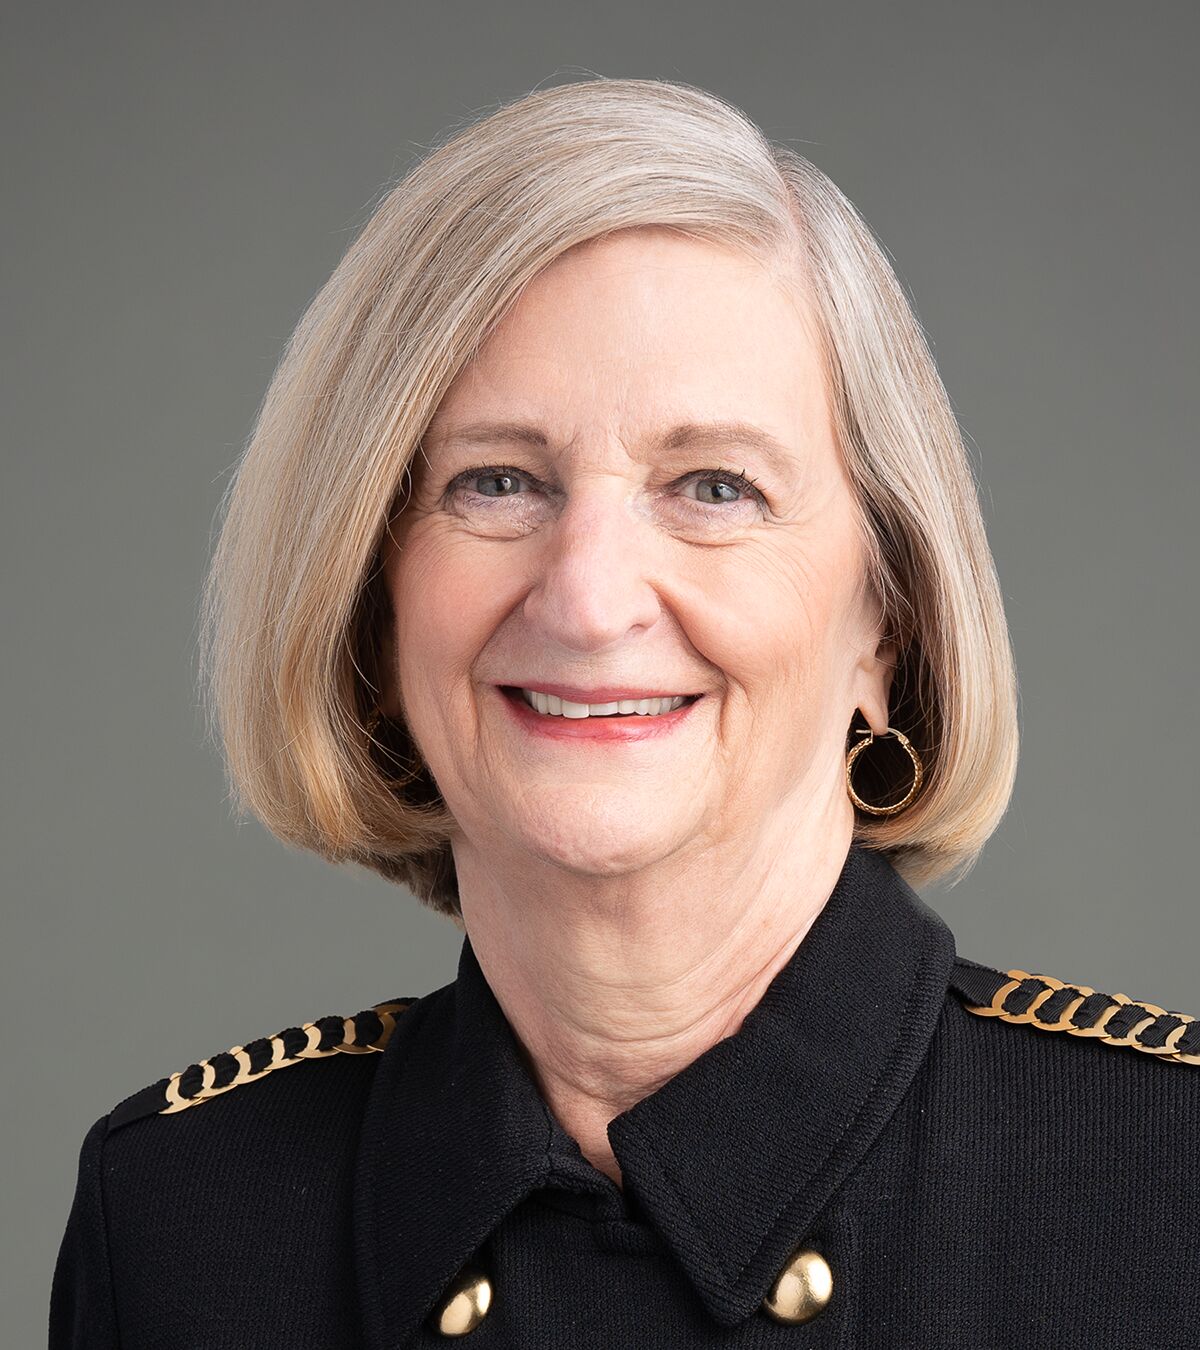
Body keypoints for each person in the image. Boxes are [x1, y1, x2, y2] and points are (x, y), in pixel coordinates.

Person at [50, 77, 1199, 1349]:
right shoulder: (176, 1222)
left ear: (890, 622)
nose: (590, 599)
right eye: (495, 482)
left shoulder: (1170, 1186)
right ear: (371, 599)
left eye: (714, 486)